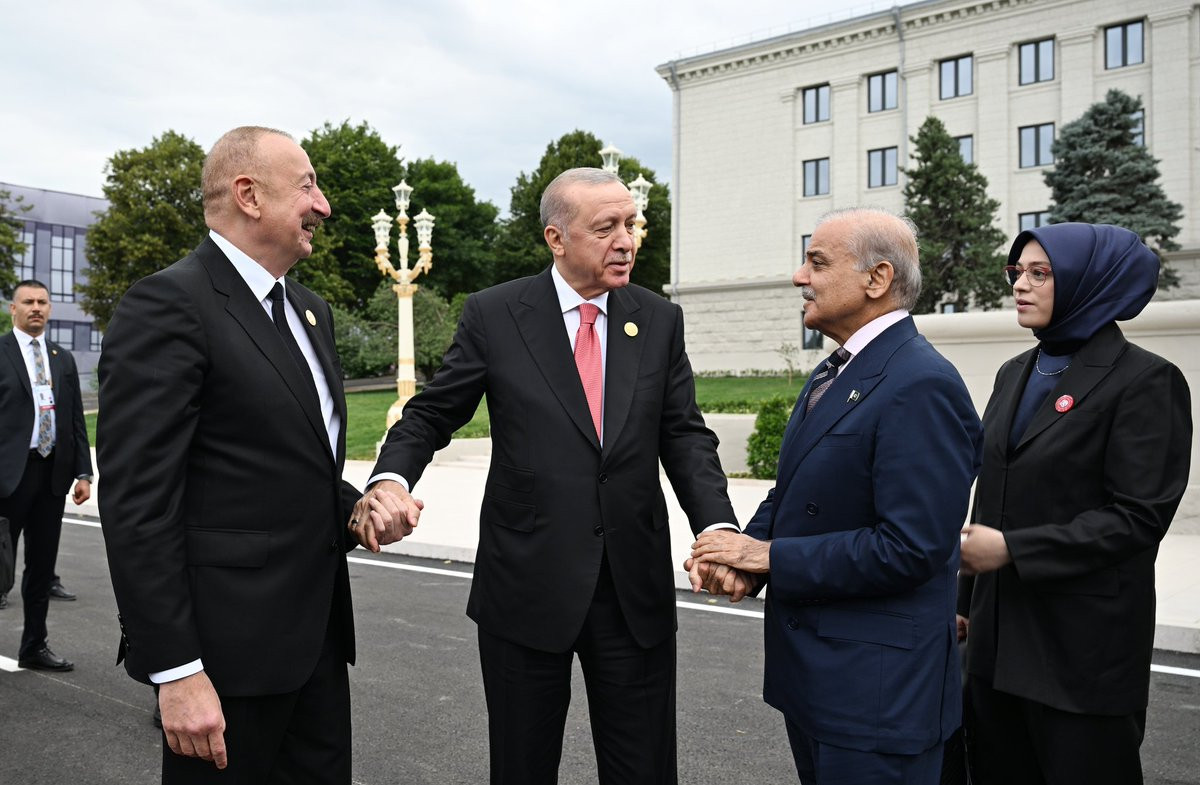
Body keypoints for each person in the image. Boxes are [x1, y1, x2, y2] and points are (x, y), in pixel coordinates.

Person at [352, 167, 741, 785]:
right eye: (606, 228)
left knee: (644, 770)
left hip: (632, 590)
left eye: (630, 224)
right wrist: (391, 481)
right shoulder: (496, 314)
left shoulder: (658, 319)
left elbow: (684, 435)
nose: (626, 241)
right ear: (556, 239)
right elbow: (430, 414)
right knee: (522, 768)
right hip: (526, 585)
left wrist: (719, 529)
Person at [97, 126, 399, 783]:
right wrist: (176, 670)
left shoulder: (310, 312)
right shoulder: (168, 304)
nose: (323, 205)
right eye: (307, 186)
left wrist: (358, 509)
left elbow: (285, 462)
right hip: (224, 661)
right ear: (249, 196)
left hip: (317, 649)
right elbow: (139, 504)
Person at [689, 208, 983, 784]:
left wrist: (769, 557)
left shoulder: (921, 383)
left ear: (877, 278)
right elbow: (796, 489)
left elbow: (911, 548)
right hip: (824, 683)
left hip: (878, 699)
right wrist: (742, 555)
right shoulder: (840, 368)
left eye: (817, 262)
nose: (799, 277)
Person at [957, 222, 1192, 784]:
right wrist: (963, 602)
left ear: (1091, 283)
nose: (1021, 285)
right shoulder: (1014, 373)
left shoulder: (1146, 381)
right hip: (995, 644)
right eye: (1017, 272)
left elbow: (1138, 518)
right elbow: (990, 495)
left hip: (1080, 654)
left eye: (1041, 273)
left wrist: (1013, 549)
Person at [0, 280, 93, 669]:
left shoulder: (62, 358)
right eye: (28, 302)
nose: (36, 307)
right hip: (8, 477)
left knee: (41, 570)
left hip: (51, 477)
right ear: (14, 309)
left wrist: (83, 473)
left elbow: (74, 419)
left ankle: (34, 647)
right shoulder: (2, 352)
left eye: (42, 301)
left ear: (50, 308)